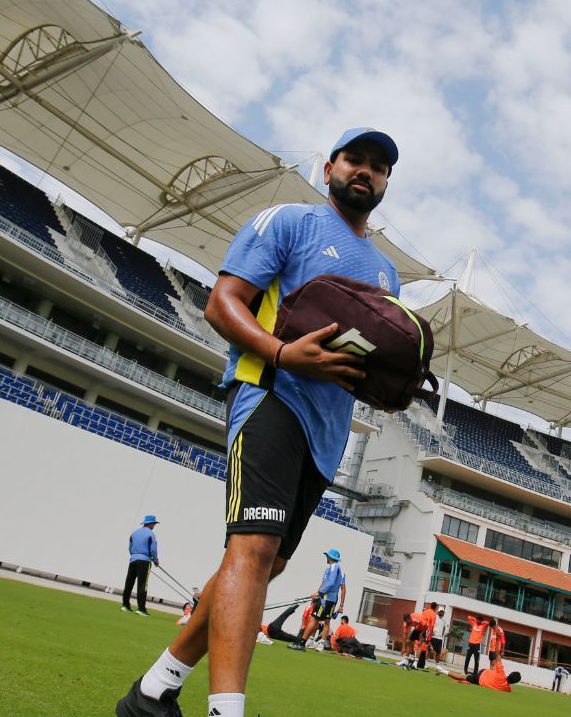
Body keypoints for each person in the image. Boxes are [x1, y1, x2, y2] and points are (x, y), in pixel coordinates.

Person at [116, 127, 401, 717]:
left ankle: (153, 692)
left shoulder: (386, 274)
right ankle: (226, 711)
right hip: (270, 393)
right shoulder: (289, 222)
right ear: (330, 168)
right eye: (354, 159)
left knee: (263, 562)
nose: (364, 171)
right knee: (254, 547)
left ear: (386, 183)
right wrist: (279, 352)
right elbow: (222, 302)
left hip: (327, 433)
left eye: (378, 166)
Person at [295, 549, 346, 651]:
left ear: (330, 557)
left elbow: (333, 584)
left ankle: (303, 643)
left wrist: (319, 593)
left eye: (327, 556)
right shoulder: (329, 569)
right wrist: (317, 595)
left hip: (327, 599)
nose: (326, 557)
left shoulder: (335, 567)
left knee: (315, 619)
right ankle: (309, 641)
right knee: (320, 620)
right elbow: (324, 583)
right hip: (324, 598)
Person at [122, 515, 160, 616]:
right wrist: (155, 560)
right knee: (142, 585)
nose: (154, 525)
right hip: (144, 561)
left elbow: (130, 548)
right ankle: (141, 609)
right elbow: (153, 549)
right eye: (154, 523)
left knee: (129, 582)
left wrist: (135, 555)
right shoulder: (150, 534)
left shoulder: (134, 533)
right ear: (150, 523)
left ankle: (125, 605)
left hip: (133, 559)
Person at [436, 659, 522, 692]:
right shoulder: (507, 689)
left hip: (484, 672)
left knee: (464, 677)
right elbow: (510, 688)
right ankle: (442, 671)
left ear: (510, 674)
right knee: (463, 677)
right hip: (480, 680)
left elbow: (498, 658)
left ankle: (442, 670)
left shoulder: (502, 673)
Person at [415, 602, 438, 669]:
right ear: (436, 607)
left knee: (418, 644)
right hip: (426, 629)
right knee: (424, 646)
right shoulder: (433, 615)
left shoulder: (425, 611)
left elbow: (421, 618)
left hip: (420, 627)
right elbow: (432, 625)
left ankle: (416, 662)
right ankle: (419, 663)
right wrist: (429, 635)